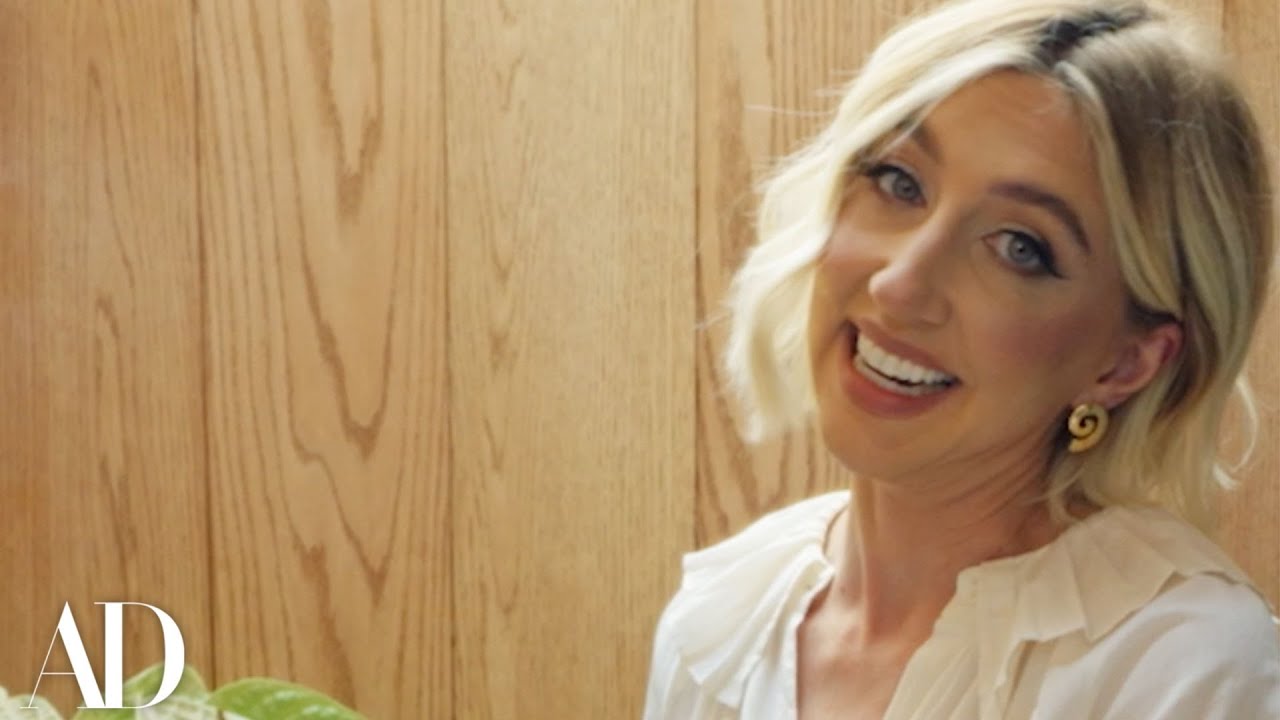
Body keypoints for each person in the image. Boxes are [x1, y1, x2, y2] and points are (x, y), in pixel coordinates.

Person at [643, 0, 1280, 717]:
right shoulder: (721, 624)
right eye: (900, 182)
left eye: (1019, 247)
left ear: (1126, 363)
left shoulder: (1184, 670)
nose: (900, 284)